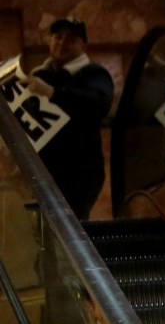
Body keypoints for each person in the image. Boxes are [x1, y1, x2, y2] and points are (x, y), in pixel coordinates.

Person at [23, 17, 114, 220]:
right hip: (42, 172)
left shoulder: (93, 74)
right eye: (58, 37)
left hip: (80, 173)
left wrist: (53, 93)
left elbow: (98, 104)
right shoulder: (38, 75)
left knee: (73, 229)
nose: (62, 43)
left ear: (83, 45)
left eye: (71, 39)